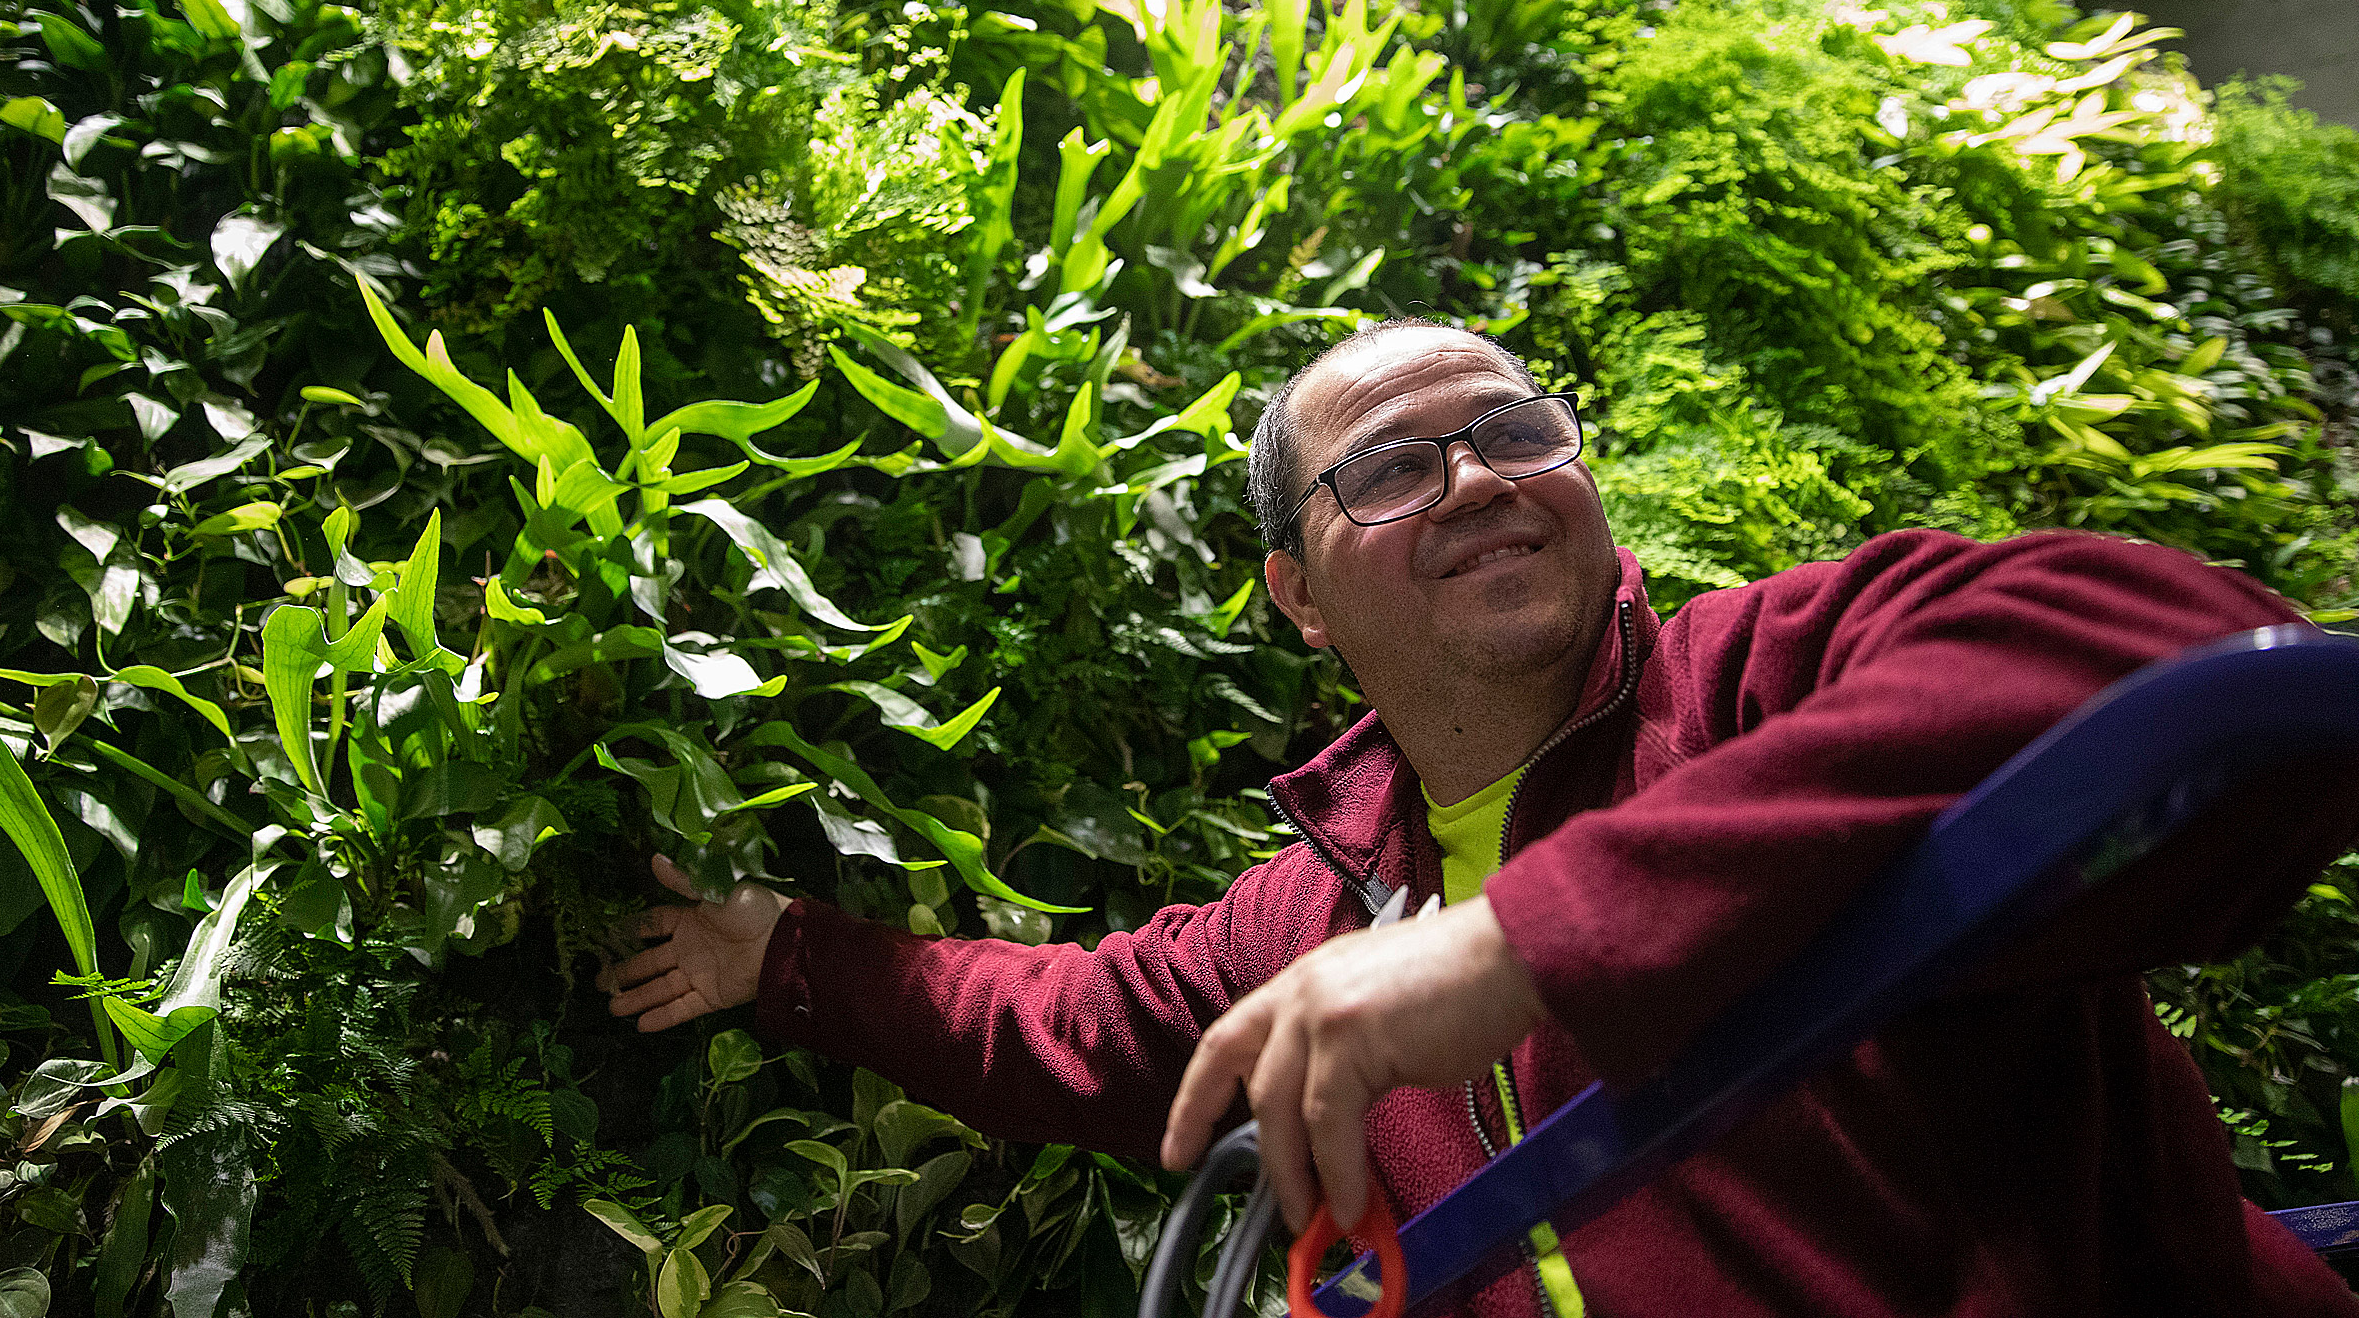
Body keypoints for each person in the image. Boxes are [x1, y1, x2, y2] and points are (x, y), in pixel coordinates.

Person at [602, 319, 2359, 1316]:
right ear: (1298, 595)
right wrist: (788, 959)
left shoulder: (1775, 675)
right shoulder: (1308, 913)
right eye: (1389, 467)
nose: (1481, 478)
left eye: (1516, 427)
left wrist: (1526, 945)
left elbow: (2187, 654)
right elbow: (1062, 1022)